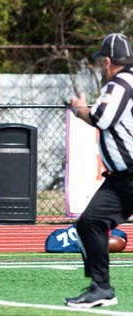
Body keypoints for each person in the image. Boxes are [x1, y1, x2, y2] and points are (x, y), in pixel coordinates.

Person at [65, 33, 133, 308]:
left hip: (129, 175)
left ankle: (102, 287)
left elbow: (101, 119)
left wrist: (79, 109)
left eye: (100, 63)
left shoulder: (119, 84)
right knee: (90, 223)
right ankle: (101, 288)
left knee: (91, 223)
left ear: (107, 61)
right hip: (122, 178)